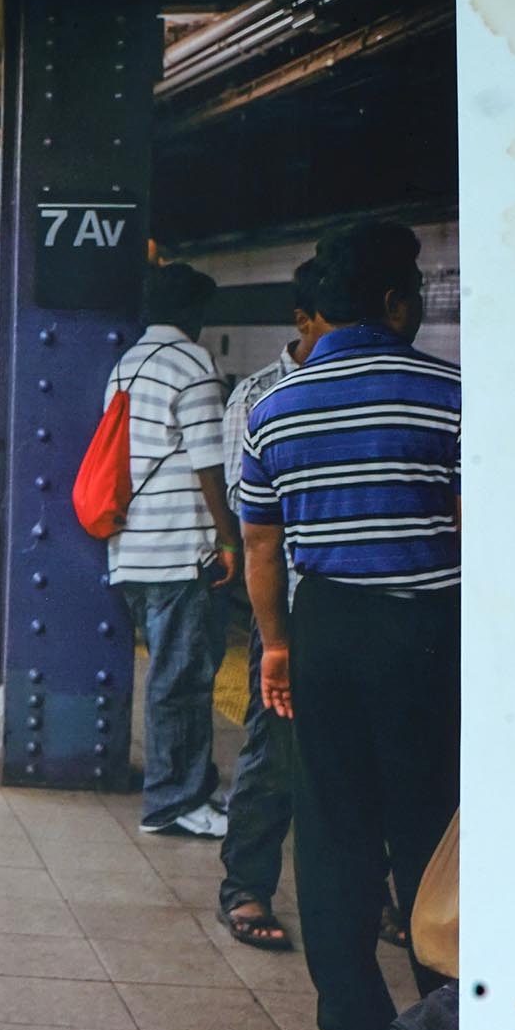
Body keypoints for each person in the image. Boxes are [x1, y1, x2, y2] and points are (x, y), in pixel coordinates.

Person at [237, 219, 460, 1030]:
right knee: (431, 825)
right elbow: (472, 534)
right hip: (428, 632)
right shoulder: (449, 394)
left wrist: (276, 649)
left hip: (324, 625)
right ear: (398, 302)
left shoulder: (276, 408)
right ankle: (440, 1020)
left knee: (332, 827)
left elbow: (263, 548)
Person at [105, 262, 243, 839]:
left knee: (172, 673)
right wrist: (229, 537)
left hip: (132, 545)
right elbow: (210, 463)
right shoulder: (192, 364)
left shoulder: (127, 364)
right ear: (193, 312)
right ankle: (174, 802)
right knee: (182, 678)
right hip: (178, 547)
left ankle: (190, 786)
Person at [212, 258, 327, 948]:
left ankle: (376, 895)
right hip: (284, 602)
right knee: (274, 746)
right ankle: (248, 885)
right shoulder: (258, 396)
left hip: (364, 601)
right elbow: (247, 512)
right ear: (304, 320)